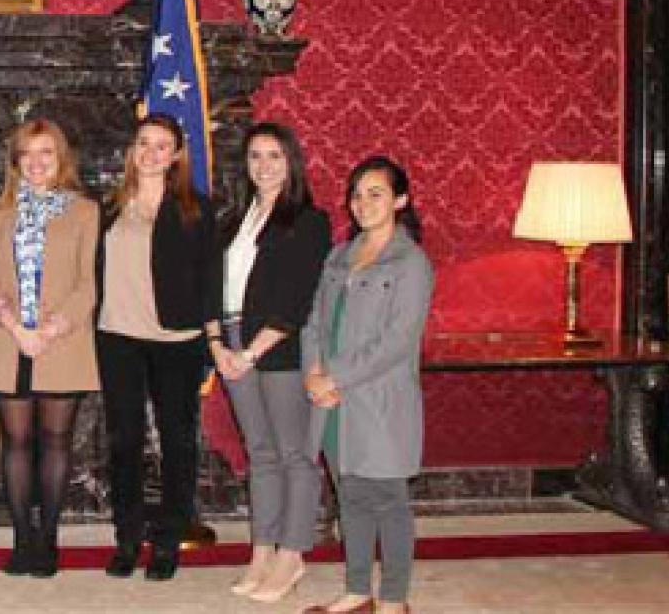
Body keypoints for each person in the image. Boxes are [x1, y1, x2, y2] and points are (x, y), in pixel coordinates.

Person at [204, 122, 331, 602]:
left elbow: (297, 297)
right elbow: (210, 287)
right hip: (231, 340)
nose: (264, 166)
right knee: (259, 452)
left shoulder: (308, 220)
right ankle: (262, 548)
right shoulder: (232, 219)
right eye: (255, 156)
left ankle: (292, 552)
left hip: (278, 346)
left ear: (291, 161)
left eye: (274, 156)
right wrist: (218, 345)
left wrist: (250, 352)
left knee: (293, 452)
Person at [301, 156, 433, 614]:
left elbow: (397, 341)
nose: (363, 203)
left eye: (375, 193)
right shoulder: (339, 255)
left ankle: (394, 601)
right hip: (333, 400)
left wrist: (335, 377)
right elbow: (315, 322)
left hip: (378, 400)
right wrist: (314, 377)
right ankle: (358, 593)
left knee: (388, 500)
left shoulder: (410, 262)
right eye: (356, 194)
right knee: (350, 496)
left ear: (400, 199)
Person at [0, 118, 99, 577]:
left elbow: (88, 284)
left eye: (47, 152)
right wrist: (14, 325)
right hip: (8, 342)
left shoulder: (84, 211)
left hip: (62, 342)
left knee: (56, 440)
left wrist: (51, 328)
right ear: (15, 161)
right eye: (28, 153)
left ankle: (49, 537)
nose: (38, 162)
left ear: (60, 158)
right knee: (16, 442)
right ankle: (22, 536)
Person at [95, 112, 218, 582]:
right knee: (124, 441)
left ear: (176, 156)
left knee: (177, 443)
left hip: (176, 341)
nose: (150, 153)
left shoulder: (195, 208)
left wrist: (212, 340)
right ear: (132, 149)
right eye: (143, 142)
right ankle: (127, 539)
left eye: (161, 145)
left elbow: (210, 279)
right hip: (117, 337)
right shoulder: (108, 205)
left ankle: (168, 541)